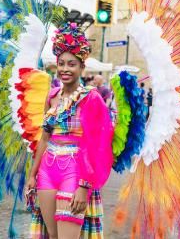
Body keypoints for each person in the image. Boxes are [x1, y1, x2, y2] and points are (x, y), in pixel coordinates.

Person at [26, 22, 114, 239]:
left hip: (75, 172)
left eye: (72, 64)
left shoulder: (91, 98)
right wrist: (32, 175)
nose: (65, 69)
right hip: (47, 171)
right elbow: (44, 139)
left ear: (82, 67)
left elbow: (98, 146)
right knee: (52, 236)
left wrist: (84, 187)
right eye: (61, 64)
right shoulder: (51, 96)